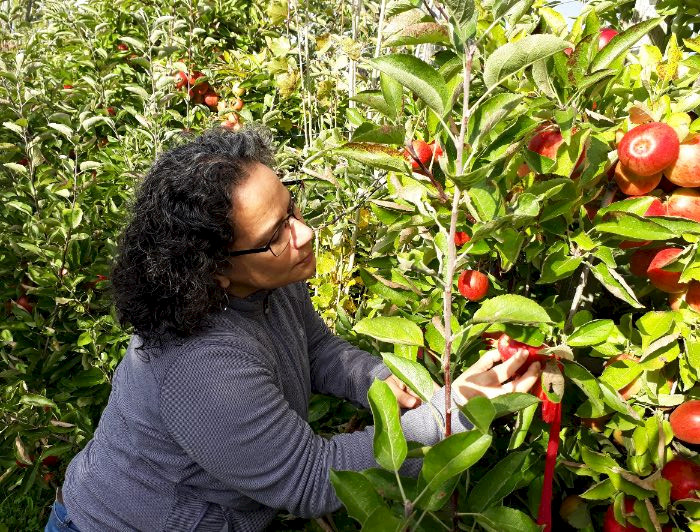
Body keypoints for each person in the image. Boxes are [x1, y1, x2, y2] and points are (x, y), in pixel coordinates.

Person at [45, 125, 541, 532]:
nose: (303, 234)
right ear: (213, 268)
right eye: (274, 234)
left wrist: (384, 384)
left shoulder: (269, 278)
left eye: (290, 208)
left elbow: (316, 348)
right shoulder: (198, 367)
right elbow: (309, 478)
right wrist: (448, 417)